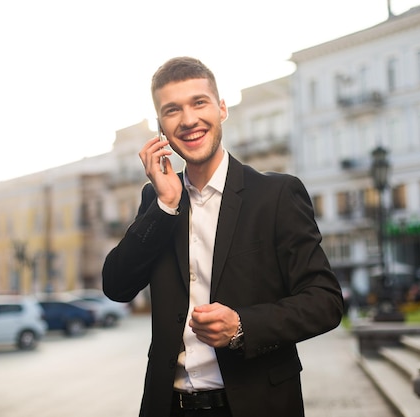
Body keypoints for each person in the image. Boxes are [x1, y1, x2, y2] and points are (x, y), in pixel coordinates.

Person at [102, 56, 343, 417]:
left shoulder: (276, 195)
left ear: (222, 108)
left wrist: (243, 326)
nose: (188, 120)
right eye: (172, 110)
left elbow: (325, 302)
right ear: (160, 128)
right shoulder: (157, 198)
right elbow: (116, 285)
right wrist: (166, 205)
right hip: (170, 407)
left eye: (199, 103)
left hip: (255, 405)